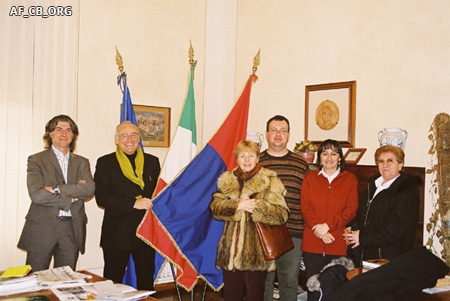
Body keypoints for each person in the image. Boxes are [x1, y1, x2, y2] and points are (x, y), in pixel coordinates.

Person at [210, 140, 289, 301]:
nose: (247, 160)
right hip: (230, 253)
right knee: (231, 296)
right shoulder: (227, 179)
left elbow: (282, 214)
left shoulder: (270, 179)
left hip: (256, 254)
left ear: (257, 158)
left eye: (251, 155)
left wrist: (256, 207)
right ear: (237, 159)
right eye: (242, 156)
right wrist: (237, 205)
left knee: (255, 297)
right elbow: (215, 208)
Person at [17, 114, 95, 272]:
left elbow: (89, 189)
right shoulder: (36, 160)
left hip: (71, 229)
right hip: (42, 228)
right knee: (35, 282)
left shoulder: (82, 162)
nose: (64, 134)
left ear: (73, 135)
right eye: (58, 129)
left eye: (68, 130)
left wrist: (56, 189)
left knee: (65, 282)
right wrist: (71, 197)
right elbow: (37, 195)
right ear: (50, 133)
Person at [94, 121, 161, 290]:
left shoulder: (152, 161)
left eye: (133, 135)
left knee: (146, 279)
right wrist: (133, 203)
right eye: (124, 135)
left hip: (145, 231)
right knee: (112, 280)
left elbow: (159, 193)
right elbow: (102, 198)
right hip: (117, 232)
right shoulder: (105, 163)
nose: (129, 139)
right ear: (116, 139)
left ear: (139, 138)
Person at [343, 145, 421, 266]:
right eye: (381, 161)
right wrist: (352, 228)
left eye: (390, 161)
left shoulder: (406, 191)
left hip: (390, 259)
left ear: (400, 165)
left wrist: (362, 237)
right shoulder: (372, 186)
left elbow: (393, 230)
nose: (385, 165)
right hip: (368, 253)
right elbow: (364, 215)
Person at [260, 115, 309, 301]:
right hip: (263, 233)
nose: (278, 134)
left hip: (293, 233)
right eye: (274, 130)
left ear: (288, 135)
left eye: (283, 130)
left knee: (289, 282)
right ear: (267, 134)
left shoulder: (301, 164)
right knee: (264, 282)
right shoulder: (256, 162)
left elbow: (308, 200)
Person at [300, 139, 358, 291]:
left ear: (340, 157)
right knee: (314, 289)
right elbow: (305, 208)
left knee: (337, 290)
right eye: (325, 153)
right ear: (319, 157)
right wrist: (319, 231)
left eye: (334, 153)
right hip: (312, 243)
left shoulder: (350, 179)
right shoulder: (310, 178)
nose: (329, 158)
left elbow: (351, 209)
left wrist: (327, 226)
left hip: (338, 243)